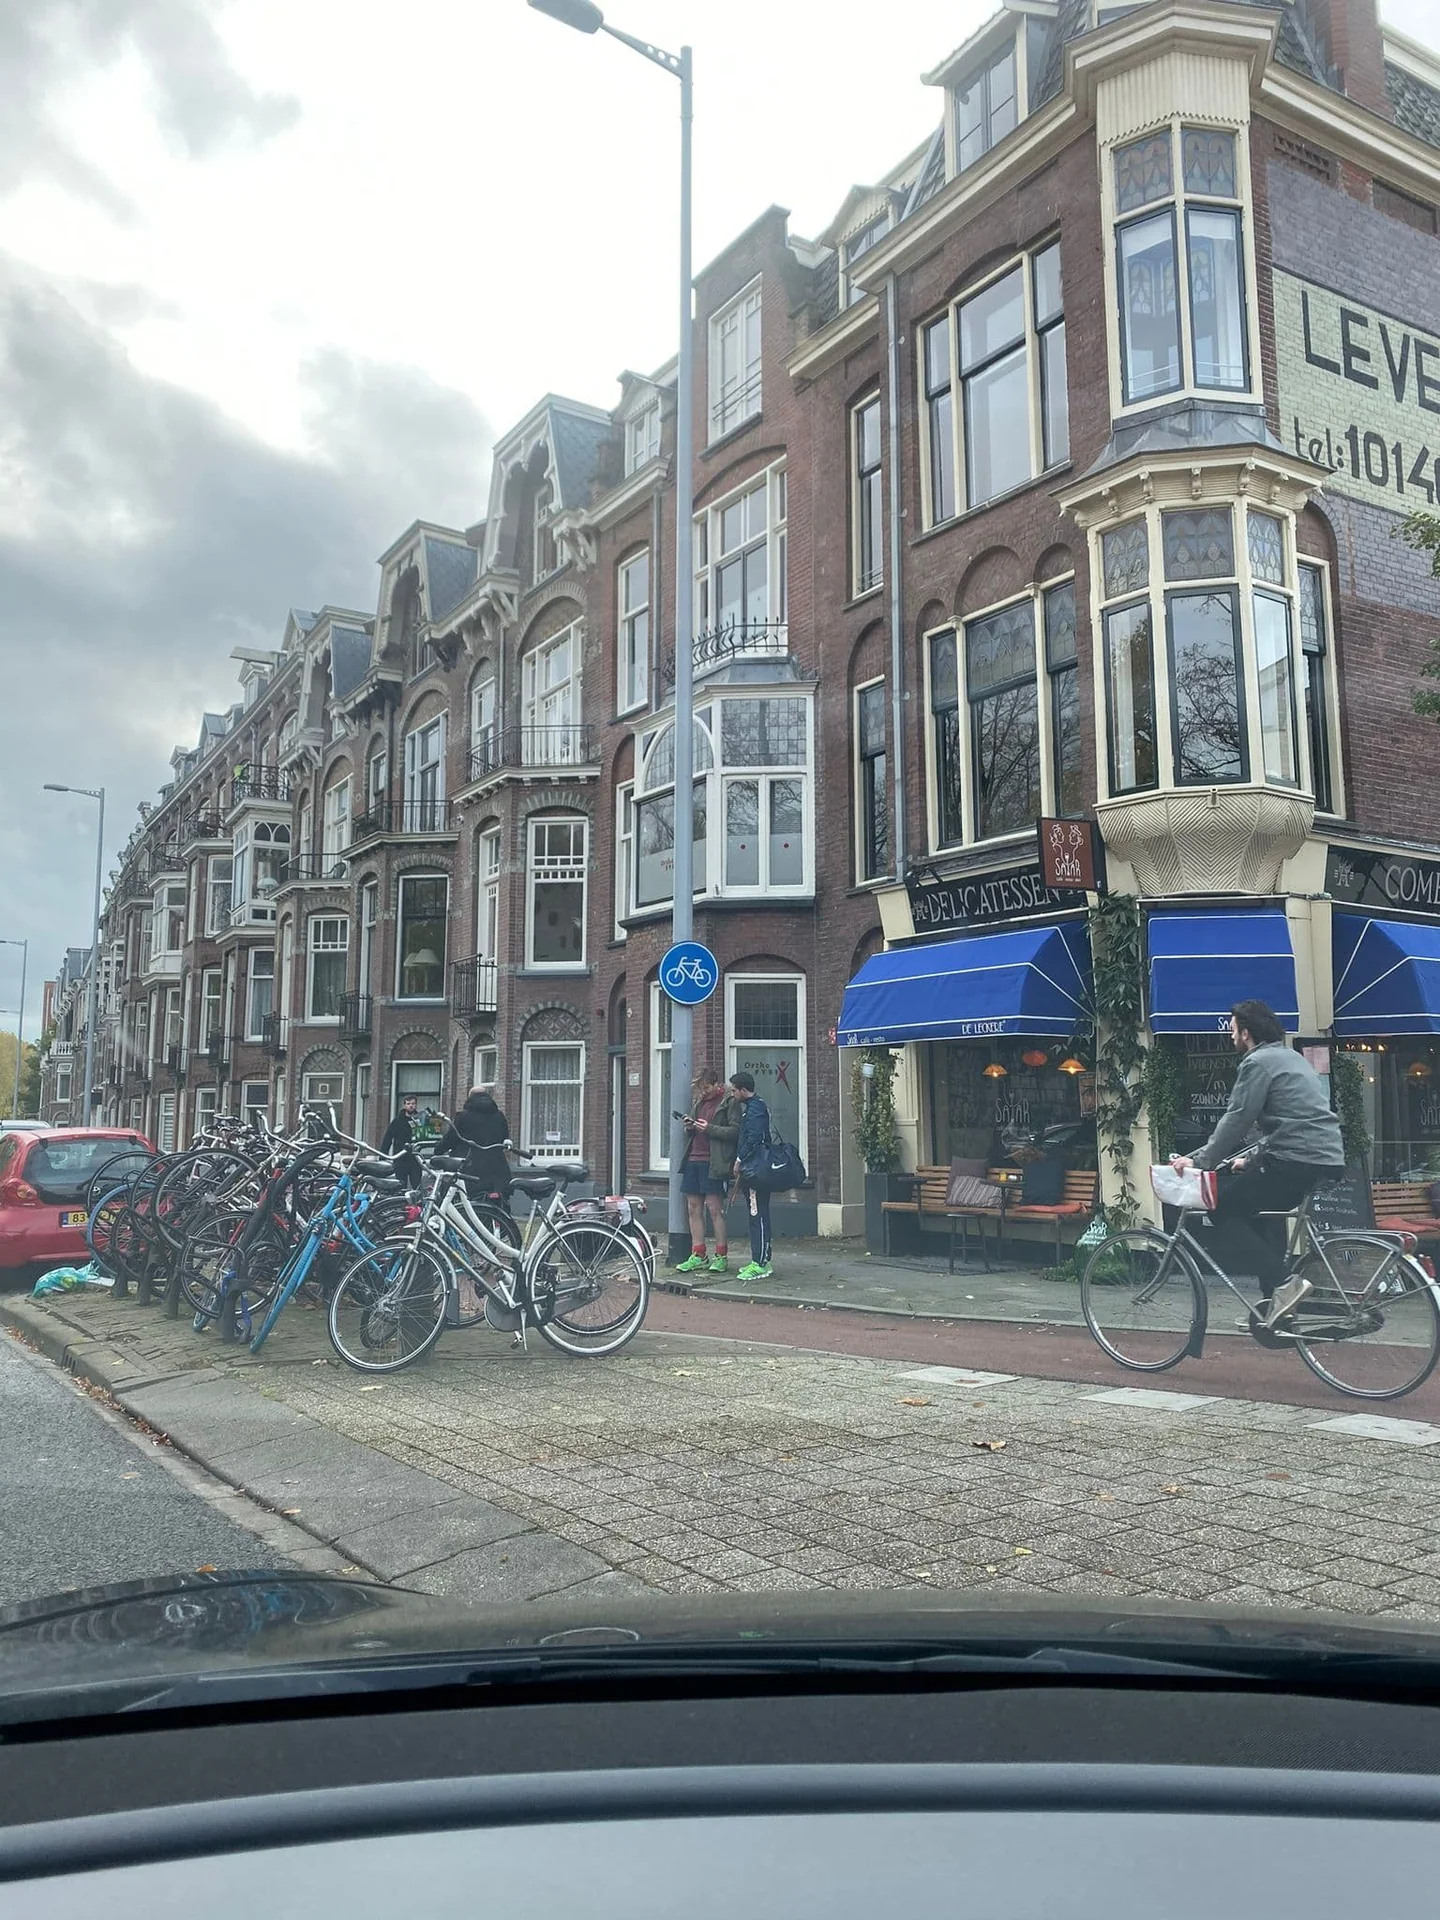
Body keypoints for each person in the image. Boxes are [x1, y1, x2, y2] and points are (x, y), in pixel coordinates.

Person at [1171, 999, 1345, 1327]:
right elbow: (1292, 1121)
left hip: (1296, 1158)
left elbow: (1237, 1119)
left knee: (1222, 1208)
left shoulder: (1258, 1063)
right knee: (1266, 1210)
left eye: (1233, 1030)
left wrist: (1201, 1161)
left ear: (1246, 1033)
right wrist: (1251, 1159)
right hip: (1324, 1156)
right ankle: (1275, 1307)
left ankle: (1284, 1285)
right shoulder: (1290, 1059)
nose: (1231, 1036)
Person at [674, 1067, 738, 1274]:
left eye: (706, 1088)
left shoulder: (729, 1102)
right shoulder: (699, 1102)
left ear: (716, 1084)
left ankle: (721, 1255)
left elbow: (735, 1131)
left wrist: (708, 1128)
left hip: (714, 1161)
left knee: (714, 1208)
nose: (703, 1093)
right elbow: (693, 1127)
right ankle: (699, 1253)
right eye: (700, 1089)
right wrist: (689, 1126)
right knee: (693, 1207)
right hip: (694, 1158)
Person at [728, 1069, 774, 1283]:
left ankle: (761, 1263)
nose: (733, 1094)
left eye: (734, 1090)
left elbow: (754, 1139)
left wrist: (739, 1159)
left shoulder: (755, 1109)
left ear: (743, 1090)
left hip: (755, 1170)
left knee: (758, 1215)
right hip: (754, 1169)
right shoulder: (755, 1107)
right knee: (757, 1214)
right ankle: (760, 1258)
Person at [436, 1087, 512, 1202]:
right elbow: (504, 1138)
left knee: (464, 1202)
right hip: (496, 1170)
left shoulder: (463, 1116)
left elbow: (451, 1139)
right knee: (500, 1202)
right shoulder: (499, 1116)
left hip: (470, 1168)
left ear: (469, 1097)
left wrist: (438, 1150)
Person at [379, 1093, 423, 1189]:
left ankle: (417, 1203)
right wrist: (382, 1155)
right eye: (408, 1104)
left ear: (416, 1105)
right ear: (404, 1105)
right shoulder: (397, 1121)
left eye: (413, 1103)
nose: (411, 1106)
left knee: (417, 1186)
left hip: (415, 1158)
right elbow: (388, 1138)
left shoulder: (420, 1121)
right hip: (400, 1158)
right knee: (400, 1185)